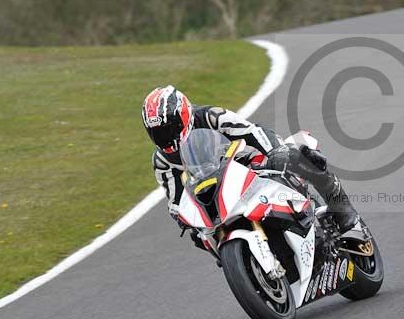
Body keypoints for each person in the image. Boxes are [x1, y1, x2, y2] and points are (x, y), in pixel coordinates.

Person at [141, 85, 359, 233]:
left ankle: (341, 207)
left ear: (184, 116)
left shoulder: (211, 117)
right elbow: (176, 202)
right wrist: (184, 218)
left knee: (293, 155)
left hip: (250, 165)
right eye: (158, 132)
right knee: (201, 234)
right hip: (213, 190)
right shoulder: (162, 160)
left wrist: (274, 152)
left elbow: (252, 133)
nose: (165, 137)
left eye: (169, 128)